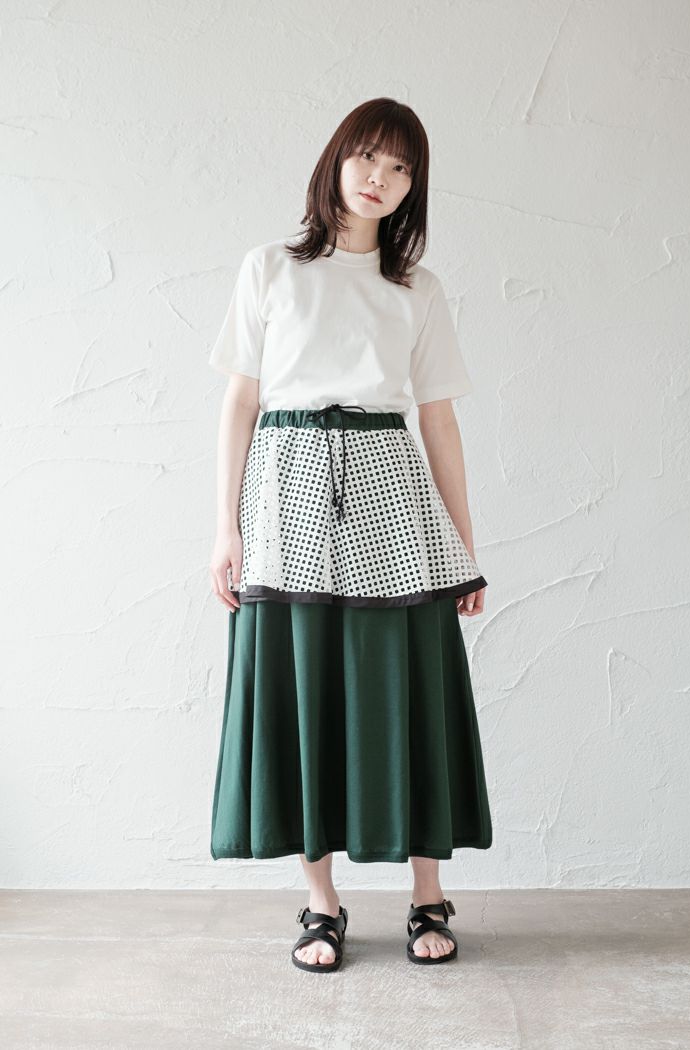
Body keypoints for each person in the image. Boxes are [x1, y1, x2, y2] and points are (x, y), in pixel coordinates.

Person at [207, 98, 492, 972]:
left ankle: (426, 894)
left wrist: (463, 550)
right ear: (336, 159)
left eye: (401, 168)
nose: (380, 178)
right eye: (368, 156)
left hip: (388, 491)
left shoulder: (417, 290)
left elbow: (438, 421)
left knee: (407, 685)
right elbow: (241, 404)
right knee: (304, 686)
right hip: (288, 492)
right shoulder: (270, 269)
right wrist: (225, 530)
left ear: (414, 188)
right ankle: (321, 902)